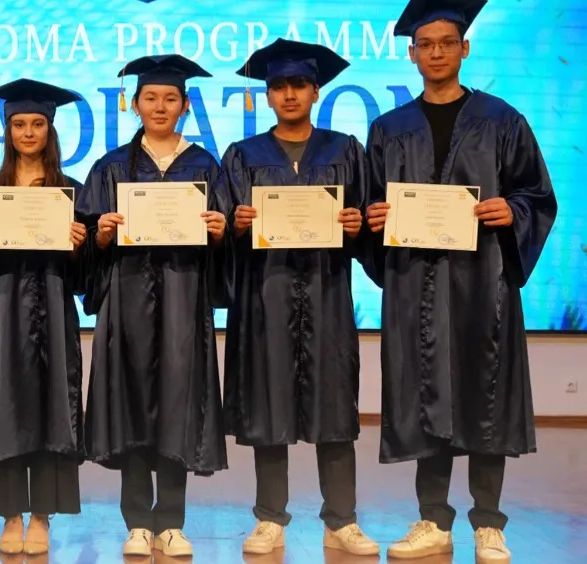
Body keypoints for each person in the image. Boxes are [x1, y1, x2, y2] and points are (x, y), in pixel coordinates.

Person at [362, 1, 558, 560]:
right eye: (426, 44)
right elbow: (371, 205)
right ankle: (433, 520)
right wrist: (375, 218)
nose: (437, 52)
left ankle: (488, 523)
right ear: (411, 54)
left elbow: (538, 195)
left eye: (448, 42)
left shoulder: (502, 120)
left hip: (483, 283)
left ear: (465, 48)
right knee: (427, 397)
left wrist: (512, 211)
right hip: (415, 284)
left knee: (485, 395)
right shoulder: (389, 129)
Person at [220, 38, 379, 557]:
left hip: (327, 293)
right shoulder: (242, 156)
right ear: (267, 95)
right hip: (265, 298)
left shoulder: (345, 150)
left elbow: (368, 221)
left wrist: (356, 225)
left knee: (334, 406)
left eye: (299, 85)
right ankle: (270, 519)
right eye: (279, 86)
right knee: (269, 406)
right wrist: (235, 225)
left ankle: (342, 520)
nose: (289, 94)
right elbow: (220, 230)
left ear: (315, 91)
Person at [75, 54, 229, 559]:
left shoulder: (205, 166)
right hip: (127, 297)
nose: (160, 106)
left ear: (185, 105)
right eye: (150, 98)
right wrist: (99, 235)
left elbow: (223, 241)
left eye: (170, 98)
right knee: (133, 404)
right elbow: (86, 238)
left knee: (178, 404)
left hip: (185, 296)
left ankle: (172, 522)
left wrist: (220, 233)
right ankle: (138, 521)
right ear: (135, 104)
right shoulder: (111, 166)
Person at [0, 78, 88, 556]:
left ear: (50, 129)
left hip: (55, 311)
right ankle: (10, 513)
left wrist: (81, 247)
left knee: (54, 409)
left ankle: (42, 515)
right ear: (7, 130)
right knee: (4, 407)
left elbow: (86, 279)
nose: (28, 132)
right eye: (18, 124)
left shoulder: (71, 192)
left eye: (37, 124)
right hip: (4, 314)